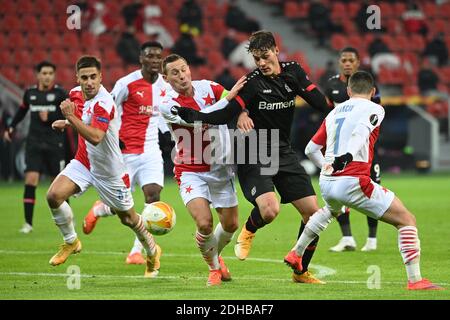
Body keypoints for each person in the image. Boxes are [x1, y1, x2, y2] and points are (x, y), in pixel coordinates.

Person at [175, 31, 329, 284]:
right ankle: (249, 229)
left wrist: (342, 106)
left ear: (276, 51)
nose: (261, 63)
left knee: (313, 216)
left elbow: (320, 103)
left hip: (282, 149)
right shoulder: (252, 82)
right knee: (269, 210)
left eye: (265, 57)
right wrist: (193, 116)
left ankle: (300, 271)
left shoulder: (294, 72)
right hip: (252, 150)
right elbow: (226, 112)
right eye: (256, 59)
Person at [284, 71, 443, 291]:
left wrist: (328, 167)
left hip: (328, 181)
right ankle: (416, 281)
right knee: (406, 220)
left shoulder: (334, 112)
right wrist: (347, 157)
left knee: (330, 210)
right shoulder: (375, 108)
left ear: (348, 91)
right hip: (353, 178)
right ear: (373, 91)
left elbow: (311, 149)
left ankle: (296, 253)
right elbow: (361, 131)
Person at [46, 56, 161, 278]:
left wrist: (70, 117)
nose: (89, 82)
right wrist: (69, 122)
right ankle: (71, 241)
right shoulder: (75, 94)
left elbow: (97, 136)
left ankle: (152, 250)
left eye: (93, 77)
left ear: (101, 77)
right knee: (53, 196)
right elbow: (84, 119)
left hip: (110, 171)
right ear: (77, 78)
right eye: (84, 77)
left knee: (128, 219)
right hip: (84, 162)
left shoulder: (104, 102)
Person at [159, 54, 246, 286]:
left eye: (183, 69)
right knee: (205, 223)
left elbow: (234, 102)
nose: (181, 76)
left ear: (189, 69)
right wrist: (232, 99)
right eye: (174, 73)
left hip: (220, 167)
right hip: (190, 170)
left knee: (231, 224)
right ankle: (213, 268)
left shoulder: (208, 87)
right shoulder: (167, 104)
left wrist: (242, 112)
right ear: (165, 78)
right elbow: (202, 118)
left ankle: (215, 256)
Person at [82, 42, 171, 265]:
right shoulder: (126, 83)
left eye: (158, 57)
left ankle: (136, 252)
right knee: (122, 206)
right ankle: (99, 209)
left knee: (153, 196)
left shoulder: (165, 86)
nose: (155, 61)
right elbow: (106, 106)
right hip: (124, 153)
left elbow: (167, 116)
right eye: (150, 56)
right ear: (141, 58)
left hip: (151, 150)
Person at [323, 47, 381, 252]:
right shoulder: (331, 84)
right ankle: (347, 238)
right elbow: (328, 113)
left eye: (351, 60)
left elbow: (374, 117)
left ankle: (372, 239)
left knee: (371, 187)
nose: (347, 63)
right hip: (339, 149)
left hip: (364, 149)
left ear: (358, 63)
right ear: (340, 62)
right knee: (338, 190)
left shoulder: (366, 83)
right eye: (344, 60)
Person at [3, 61, 67, 234]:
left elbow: (69, 113)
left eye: (50, 73)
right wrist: (11, 127)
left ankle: (67, 221)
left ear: (53, 76)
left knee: (59, 185)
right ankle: (28, 224)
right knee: (30, 180)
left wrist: (52, 115)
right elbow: (22, 111)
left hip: (55, 143)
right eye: (44, 73)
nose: (47, 76)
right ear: (38, 75)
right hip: (34, 143)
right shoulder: (30, 93)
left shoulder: (60, 93)